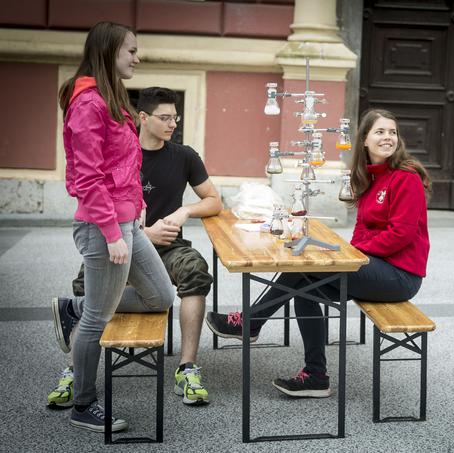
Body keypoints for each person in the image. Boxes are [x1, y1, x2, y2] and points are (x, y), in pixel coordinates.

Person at [205, 109, 431, 397]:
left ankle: (250, 323)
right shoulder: (369, 178)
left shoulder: (405, 178)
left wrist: (354, 253)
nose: (387, 137)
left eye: (392, 132)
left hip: (400, 276)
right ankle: (315, 375)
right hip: (371, 266)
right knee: (304, 287)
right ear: (364, 140)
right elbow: (361, 229)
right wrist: (355, 250)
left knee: (306, 270)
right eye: (380, 132)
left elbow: (402, 234)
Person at [48, 87, 222, 409]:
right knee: (86, 281)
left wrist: (184, 211)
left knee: (196, 271)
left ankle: (187, 368)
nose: (172, 124)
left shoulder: (185, 156)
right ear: (143, 117)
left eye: (175, 117)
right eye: (165, 117)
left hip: (170, 247)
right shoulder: (123, 153)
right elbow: (98, 195)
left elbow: (214, 200)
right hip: (122, 240)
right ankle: (74, 370)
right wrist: (143, 232)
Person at [51, 22, 176, 433]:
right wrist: (110, 233)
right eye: (132, 51)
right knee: (98, 319)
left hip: (126, 220)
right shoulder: (88, 103)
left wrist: (137, 204)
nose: (138, 58)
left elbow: (124, 161)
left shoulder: (113, 97)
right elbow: (88, 177)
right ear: (109, 52)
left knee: (161, 294)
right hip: (102, 225)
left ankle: (75, 309)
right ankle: (83, 404)